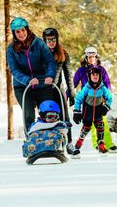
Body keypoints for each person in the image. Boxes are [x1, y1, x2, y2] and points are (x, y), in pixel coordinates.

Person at [7, 17, 56, 131]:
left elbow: (50, 61)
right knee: (28, 113)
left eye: (23, 30)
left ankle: (49, 139)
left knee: (48, 112)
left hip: (42, 83)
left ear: (27, 30)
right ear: (14, 34)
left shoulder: (39, 43)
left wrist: (50, 75)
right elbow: (14, 69)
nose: (21, 33)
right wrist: (27, 80)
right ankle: (31, 140)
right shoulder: (11, 49)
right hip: (23, 86)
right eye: (17, 31)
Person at [42, 27, 79, 156]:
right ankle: (50, 143)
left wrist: (71, 92)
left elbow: (68, 75)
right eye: (48, 40)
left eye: (53, 39)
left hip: (58, 89)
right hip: (45, 90)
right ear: (44, 41)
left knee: (64, 116)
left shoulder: (63, 53)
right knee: (47, 116)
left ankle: (69, 143)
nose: (51, 42)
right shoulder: (41, 53)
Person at [74, 46, 117, 153]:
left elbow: (107, 83)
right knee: (90, 124)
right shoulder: (82, 70)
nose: (91, 59)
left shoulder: (101, 69)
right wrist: (68, 95)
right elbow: (74, 83)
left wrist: (105, 97)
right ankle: (97, 144)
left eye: (93, 56)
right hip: (87, 100)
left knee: (102, 123)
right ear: (85, 57)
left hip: (99, 98)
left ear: (96, 57)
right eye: (89, 57)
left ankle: (107, 143)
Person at [73, 67, 113, 154]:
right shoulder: (86, 87)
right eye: (93, 75)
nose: (95, 76)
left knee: (100, 127)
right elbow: (78, 99)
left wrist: (106, 106)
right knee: (86, 128)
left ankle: (101, 144)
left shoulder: (102, 88)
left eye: (97, 75)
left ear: (100, 76)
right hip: (88, 112)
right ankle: (81, 139)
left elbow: (109, 98)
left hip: (99, 112)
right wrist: (77, 111)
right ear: (89, 77)